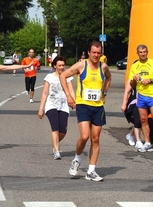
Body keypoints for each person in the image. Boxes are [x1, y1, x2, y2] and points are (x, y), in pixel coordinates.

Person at [59, 41, 111, 182]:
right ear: (88, 52)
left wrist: (104, 93)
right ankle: (76, 159)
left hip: (98, 106)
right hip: (83, 105)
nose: (96, 55)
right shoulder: (82, 65)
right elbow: (63, 76)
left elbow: (108, 78)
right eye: (93, 52)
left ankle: (91, 171)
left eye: (98, 53)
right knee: (84, 136)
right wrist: (69, 96)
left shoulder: (103, 66)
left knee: (95, 138)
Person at [38, 56, 75, 160]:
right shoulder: (49, 77)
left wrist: (74, 102)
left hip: (63, 105)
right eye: (59, 65)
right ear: (55, 66)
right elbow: (45, 93)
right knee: (55, 128)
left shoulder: (68, 76)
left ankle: (55, 143)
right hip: (51, 105)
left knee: (62, 131)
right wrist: (41, 108)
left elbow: (71, 90)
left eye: (63, 65)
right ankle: (56, 151)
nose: (61, 67)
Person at [129, 44, 153, 153]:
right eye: (141, 52)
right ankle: (147, 142)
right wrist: (134, 79)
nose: (143, 54)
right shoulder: (135, 66)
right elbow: (132, 84)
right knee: (143, 120)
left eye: (144, 52)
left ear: (147, 52)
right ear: (137, 53)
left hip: (152, 95)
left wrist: (150, 80)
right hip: (141, 95)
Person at [121, 79, 143, 149]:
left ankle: (131, 135)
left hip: (145, 101)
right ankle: (138, 141)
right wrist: (124, 104)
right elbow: (127, 92)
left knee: (142, 120)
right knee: (137, 121)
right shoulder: (133, 79)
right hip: (134, 102)